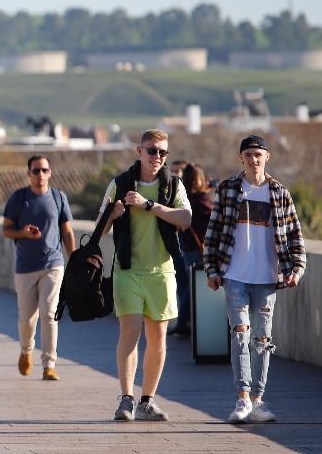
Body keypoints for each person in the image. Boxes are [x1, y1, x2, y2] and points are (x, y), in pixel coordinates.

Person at [204, 135, 306, 424]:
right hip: (234, 274)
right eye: (248, 154)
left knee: (262, 339)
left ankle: (259, 400)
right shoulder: (227, 189)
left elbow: (295, 236)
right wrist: (212, 270)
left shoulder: (280, 193)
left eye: (258, 154)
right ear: (241, 158)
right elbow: (213, 233)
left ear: (267, 158)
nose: (253, 159)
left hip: (267, 277)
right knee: (240, 334)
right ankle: (243, 398)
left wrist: (296, 269)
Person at [97, 129, 193, 422]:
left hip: (162, 272)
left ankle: (147, 401)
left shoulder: (173, 185)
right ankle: (126, 399)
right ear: (139, 151)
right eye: (152, 151)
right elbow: (100, 227)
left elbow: (185, 220)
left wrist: (149, 205)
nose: (158, 157)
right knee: (130, 333)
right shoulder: (120, 183)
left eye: (163, 152)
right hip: (127, 270)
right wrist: (112, 215)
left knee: (158, 338)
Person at [1, 155, 75, 380]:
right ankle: (26, 350)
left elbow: (68, 232)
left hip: (53, 264)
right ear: (28, 174)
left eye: (44, 170)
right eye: (35, 171)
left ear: (50, 173)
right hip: (25, 267)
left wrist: (74, 261)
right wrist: (23, 233)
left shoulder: (58, 197)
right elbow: (6, 230)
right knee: (27, 318)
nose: (40, 174)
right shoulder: (19, 198)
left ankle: (49, 365)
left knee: (49, 313)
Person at [170, 163, 213, 336]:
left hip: (186, 247)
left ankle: (183, 323)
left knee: (186, 287)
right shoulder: (202, 201)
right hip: (198, 249)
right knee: (192, 288)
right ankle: (184, 324)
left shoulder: (184, 200)